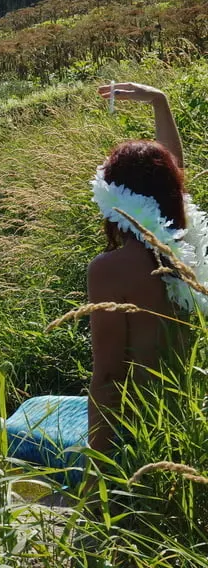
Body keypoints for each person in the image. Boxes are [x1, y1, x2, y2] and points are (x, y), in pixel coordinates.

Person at [87, 82, 206, 452]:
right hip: (188, 416)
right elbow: (172, 171)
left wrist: (98, 472)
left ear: (111, 197)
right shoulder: (185, 244)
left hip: (142, 426)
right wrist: (159, 101)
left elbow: (107, 376)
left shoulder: (111, 268)